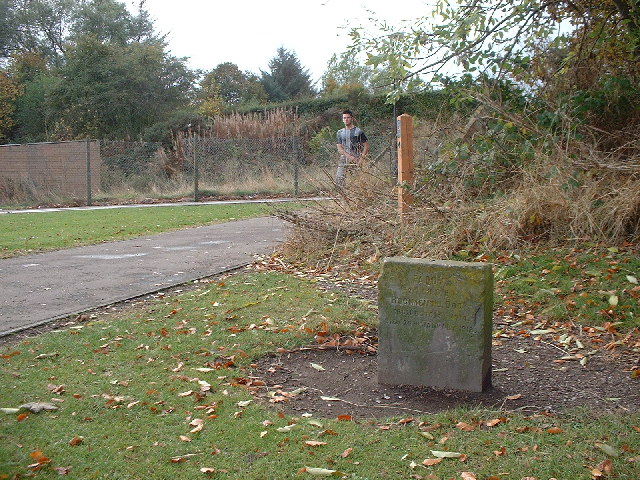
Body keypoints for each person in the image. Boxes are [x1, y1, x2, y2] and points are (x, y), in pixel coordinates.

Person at [335, 109, 369, 187]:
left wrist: (361, 159)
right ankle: (341, 196)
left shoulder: (358, 131)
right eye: (344, 118)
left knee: (357, 180)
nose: (346, 119)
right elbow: (339, 148)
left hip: (356, 158)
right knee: (339, 179)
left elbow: (366, 146)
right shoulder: (340, 132)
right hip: (344, 158)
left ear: (352, 118)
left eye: (348, 117)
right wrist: (349, 157)